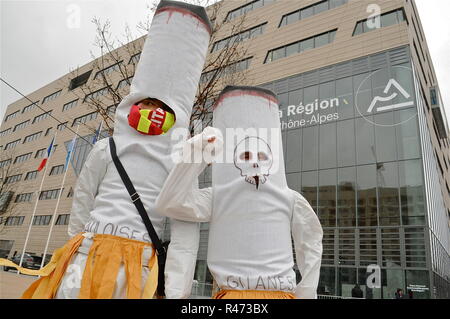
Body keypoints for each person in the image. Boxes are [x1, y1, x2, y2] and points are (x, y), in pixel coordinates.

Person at [0, 0, 212, 299]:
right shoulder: (107, 148)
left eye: (162, 108)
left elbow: (184, 228)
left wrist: (176, 287)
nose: (152, 112)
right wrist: (79, 242)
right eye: (146, 104)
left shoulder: (182, 160)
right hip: (87, 256)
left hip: (138, 269)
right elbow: (84, 196)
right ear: (132, 105)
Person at [155, 86, 323, 299]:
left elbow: (311, 242)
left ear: (272, 159)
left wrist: (307, 292)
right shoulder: (219, 196)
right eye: (245, 155)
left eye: (262, 156)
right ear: (234, 161)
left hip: (280, 294)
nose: (254, 161)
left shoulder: (289, 198)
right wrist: (197, 154)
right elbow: (169, 203)